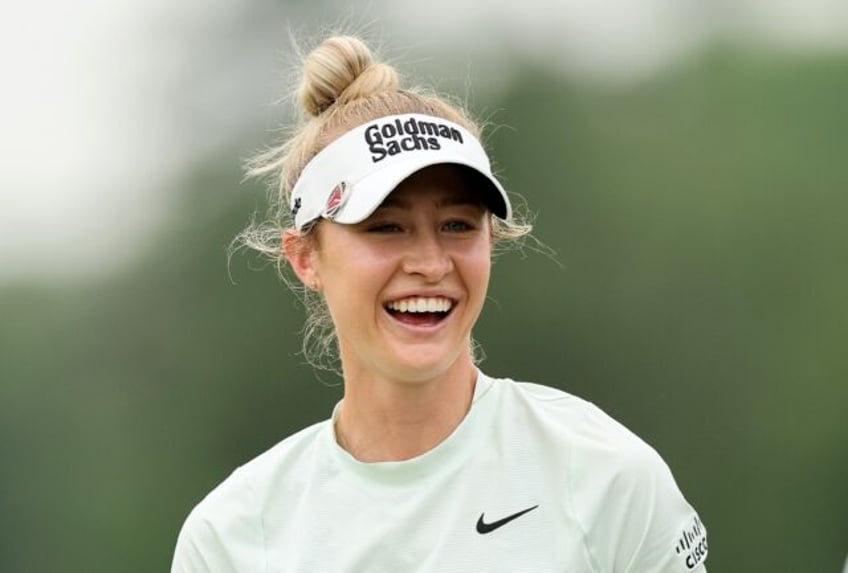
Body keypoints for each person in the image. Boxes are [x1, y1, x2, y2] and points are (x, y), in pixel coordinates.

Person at [171, 35, 708, 572]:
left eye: (457, 225)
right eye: (386, 227)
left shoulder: (604, 475)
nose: (430, 262)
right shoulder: (234, 535)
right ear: (306, 258)